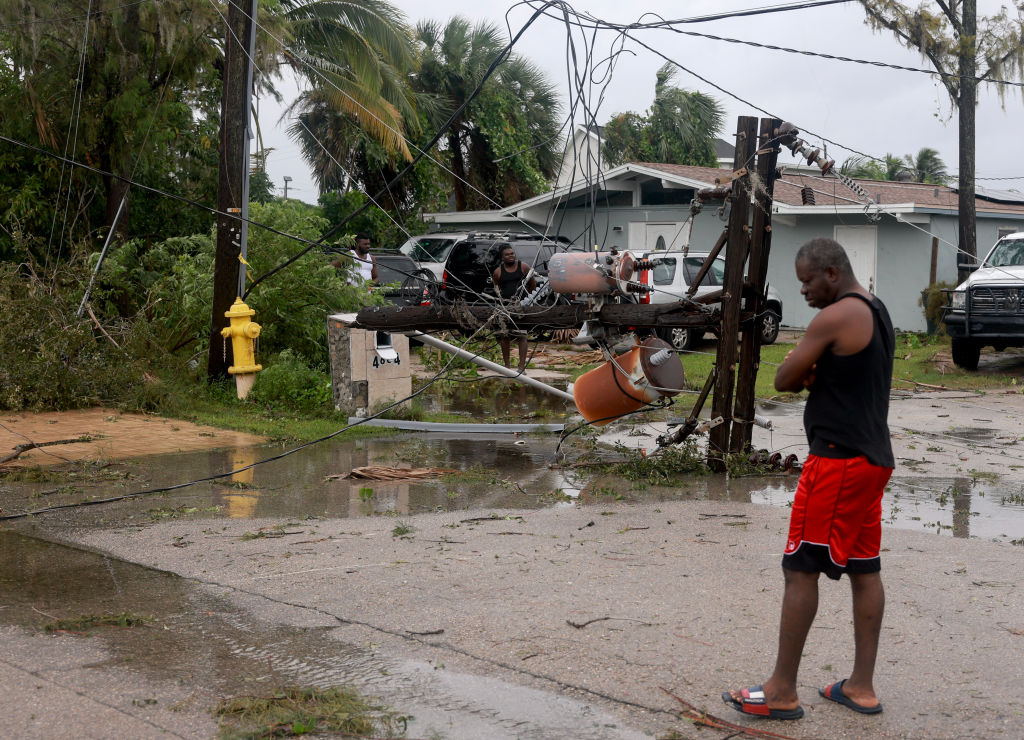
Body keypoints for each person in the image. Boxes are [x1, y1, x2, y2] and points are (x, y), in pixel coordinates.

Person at [723, 237, 895, 721]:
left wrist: (804, 368)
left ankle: (780, 691)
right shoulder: (876, 310)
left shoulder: (835, 316)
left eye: (807, 281)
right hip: (873, 460)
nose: (803, 291)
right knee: (865, 568)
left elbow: (782, 378)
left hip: (838, 464)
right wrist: (811, 371)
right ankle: (861, 687)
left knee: (800, 567)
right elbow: (827, 375)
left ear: (832, 274)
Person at [491, 245, 536, 372]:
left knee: (522, 336)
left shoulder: (523, 267)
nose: (511, 256)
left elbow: (532, 283)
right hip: (505, 308)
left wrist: (528, 298)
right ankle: (507, 367)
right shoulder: (498, 272)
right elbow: (497, 289)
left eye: (512, 253)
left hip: (521, 307)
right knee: (505, 336)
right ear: (502, 257)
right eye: (507, 254)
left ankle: (521, 367)